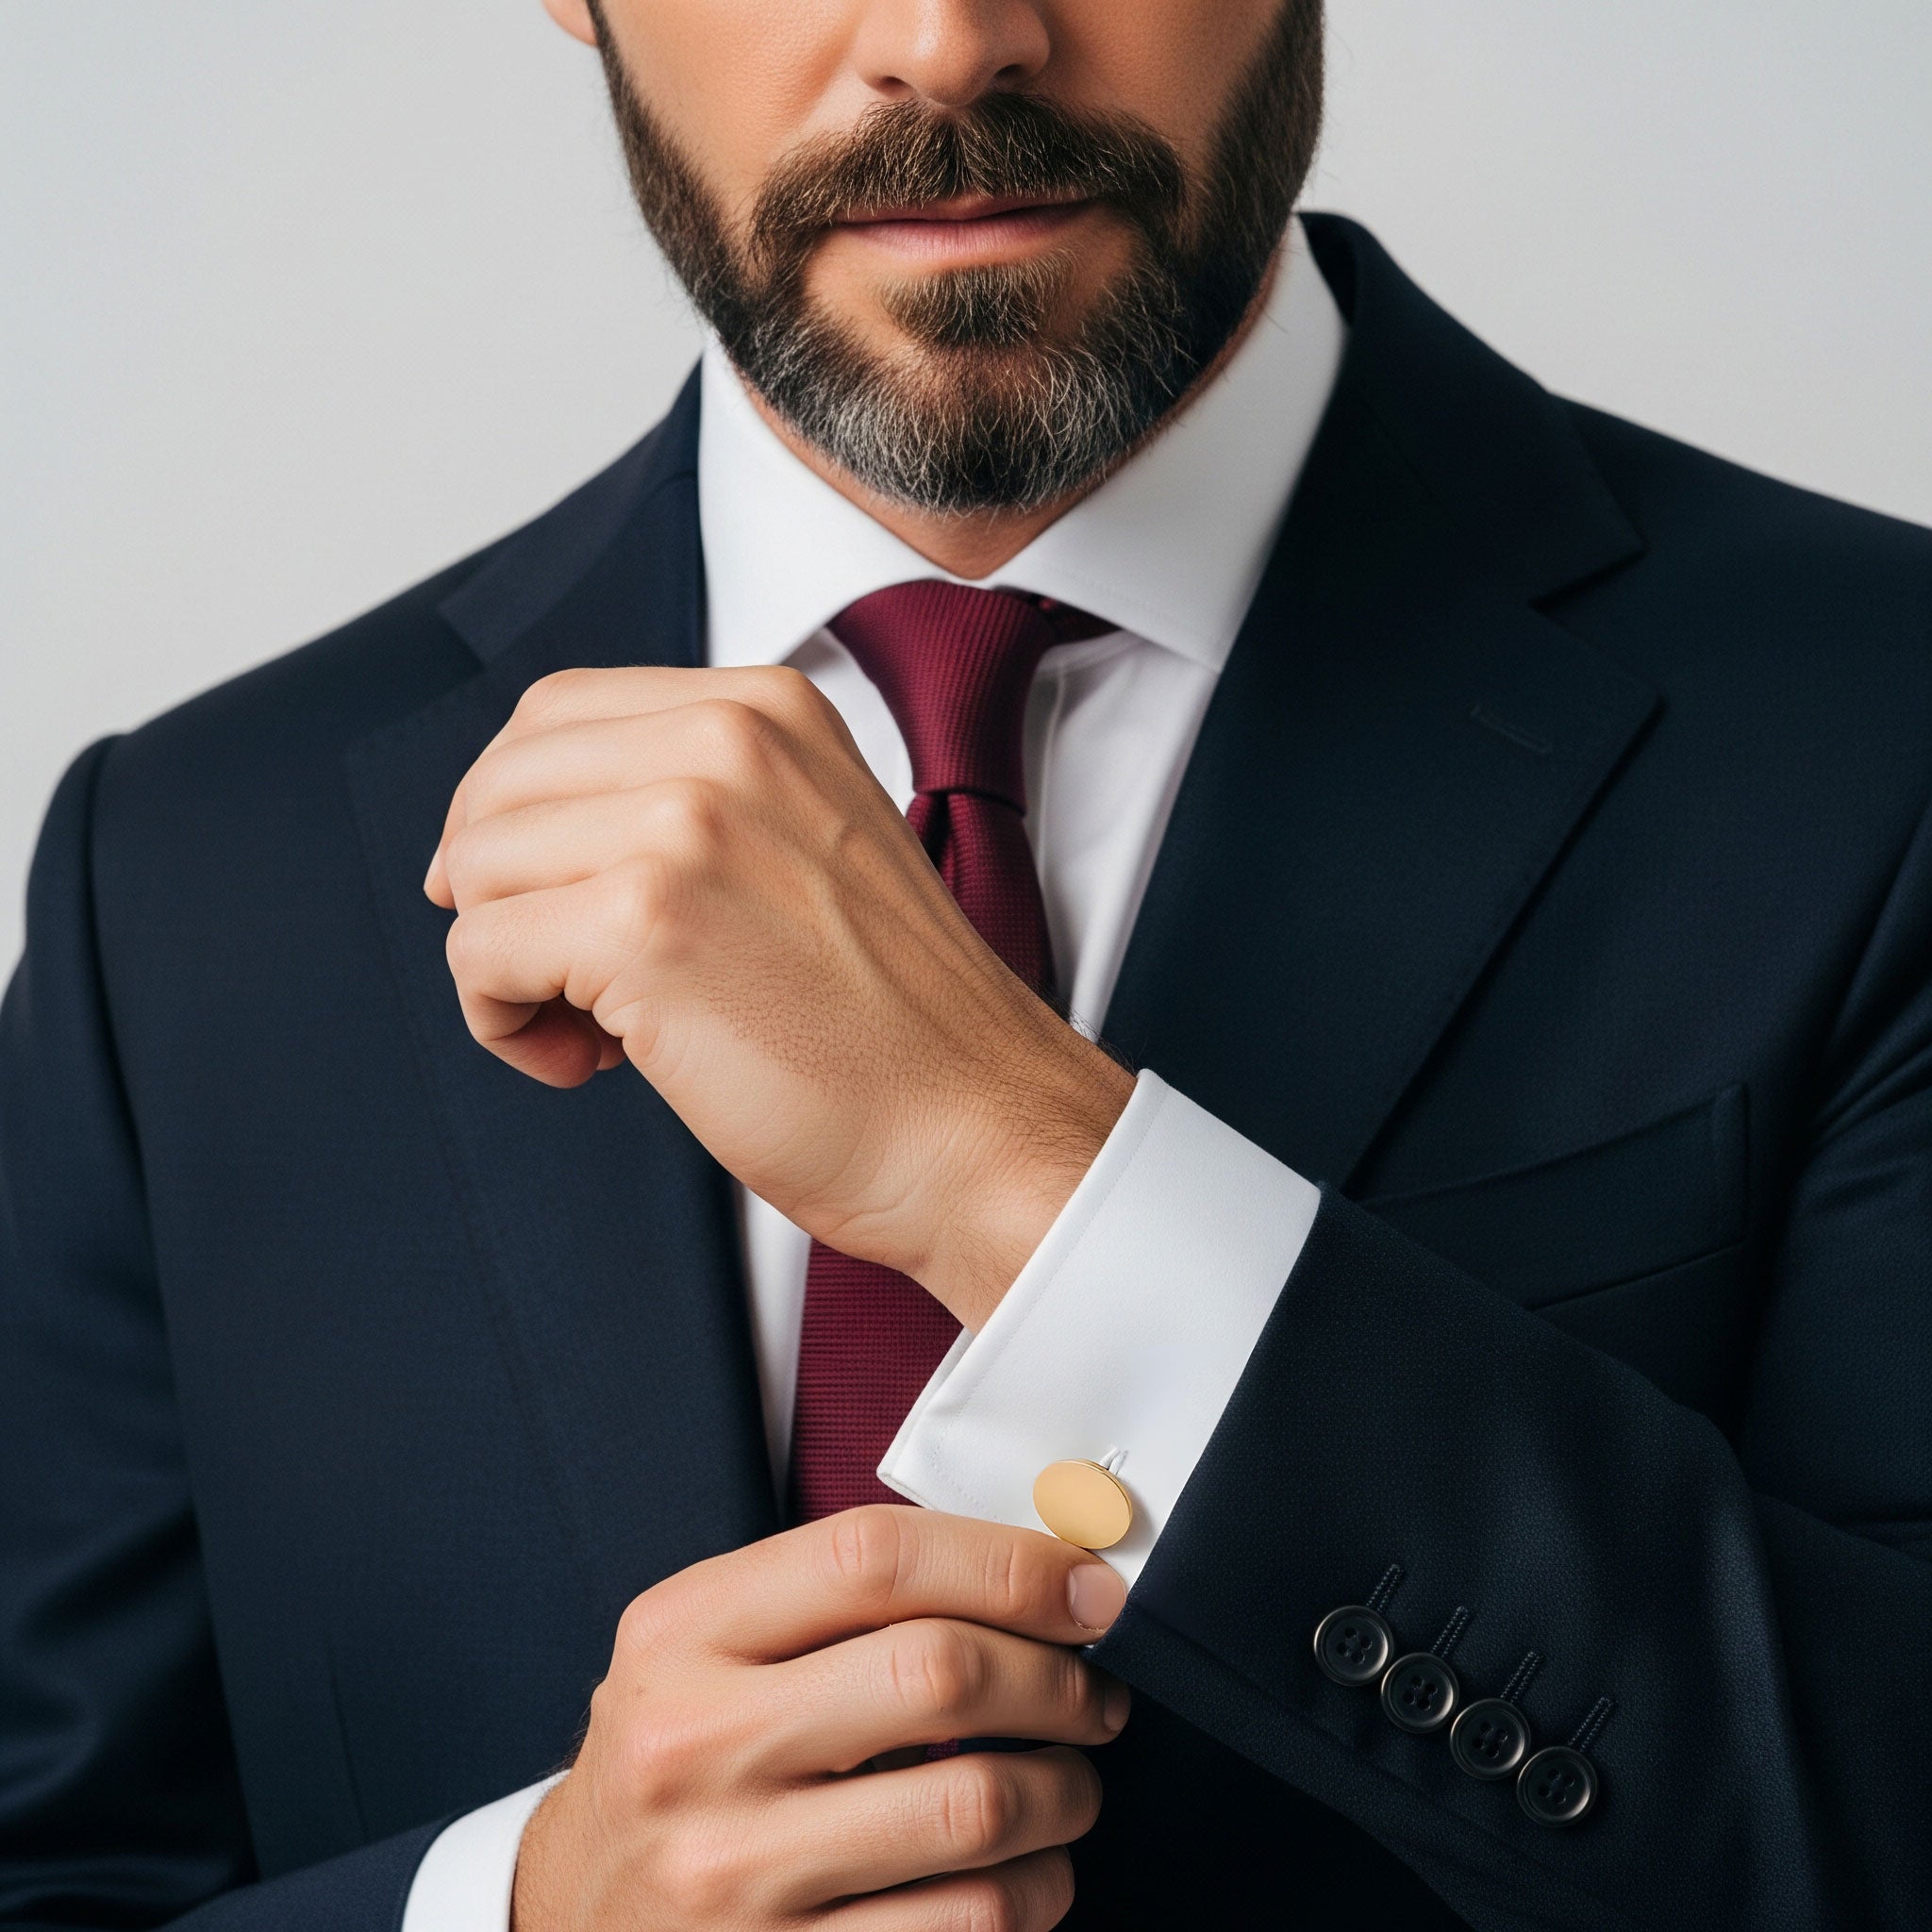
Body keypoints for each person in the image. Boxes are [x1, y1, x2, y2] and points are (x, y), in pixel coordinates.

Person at [2, 0, 1928, 1925]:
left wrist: (1011, 1169)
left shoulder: (1878, 736)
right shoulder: (178, 873)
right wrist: (519, 1905)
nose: (950, 42)